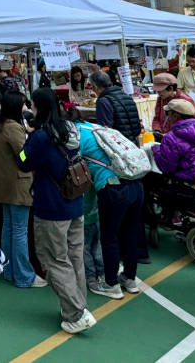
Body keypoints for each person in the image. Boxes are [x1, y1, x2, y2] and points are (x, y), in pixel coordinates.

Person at [17, 88, 96, 334]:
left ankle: (76, 312)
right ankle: (76, 306)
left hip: (51, 206)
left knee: (54, 260)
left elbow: (22, 161)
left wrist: (27, 137)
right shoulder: (71, 129)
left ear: (38, 107)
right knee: (74, 257)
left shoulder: (40, 137)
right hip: (74, 202)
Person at [88, 70, 149, 273]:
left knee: (112, 228)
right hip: (133, 154)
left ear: (96, 87)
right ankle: (141, 252)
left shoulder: (104, 102)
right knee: (133, 219)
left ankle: (113, 276)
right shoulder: (126, 96)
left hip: (117, 159)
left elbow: (106, 131)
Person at [0, 91, 45, 289]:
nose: (26, 108)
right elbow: (23, 156)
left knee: (9, 227)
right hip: (17, 183)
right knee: (19, 230)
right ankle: (24, 276)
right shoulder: (13, 127)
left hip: (2, 184)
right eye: (23, 105)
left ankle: (11, 271)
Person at [67, 109, 107, 292]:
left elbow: (72, 160)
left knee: (84, 245)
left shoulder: (77, 135)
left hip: (85, 197)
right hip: (100, 190)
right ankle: (103, 273)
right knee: (98, 242)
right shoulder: (96, 128)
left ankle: (90, 277)